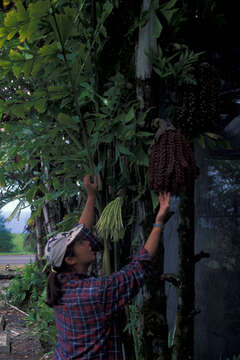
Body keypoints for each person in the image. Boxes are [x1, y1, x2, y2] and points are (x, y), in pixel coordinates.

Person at [45, 174, 171, 360]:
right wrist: (159, 220)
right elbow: (140, 264)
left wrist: (91, 196)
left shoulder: (60, 281)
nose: (88, 243)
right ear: (70, 260)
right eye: (81, 243)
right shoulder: (96, 292)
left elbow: (84, 231)